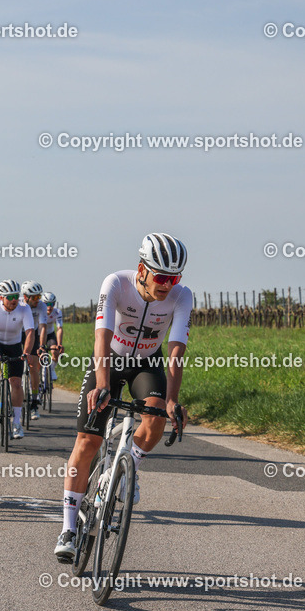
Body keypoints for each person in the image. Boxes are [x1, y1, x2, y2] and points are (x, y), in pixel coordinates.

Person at [54, 233, 192, 562]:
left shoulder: (181, 296)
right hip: (110, 361)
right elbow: (101, 335)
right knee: (87, 442)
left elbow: (176, 350)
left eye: (173, 278)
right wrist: (102, 383)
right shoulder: (116, 283)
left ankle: (127, 468)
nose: (167, 285)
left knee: (156, 416)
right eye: (161, 277)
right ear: (142, 269)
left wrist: (172, 399)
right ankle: (69, 527)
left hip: (147, 363)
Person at [0, 279, 36, 439]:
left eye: (16, 296)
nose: (14, 300)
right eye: (10, 297)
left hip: (15, 345)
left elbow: (30, 332)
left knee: (16, 383)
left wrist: (26, 352)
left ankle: (17, 423)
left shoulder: (24, 309)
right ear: (1, 297)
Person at [20, 281, 47, 420]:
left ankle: (34, 401)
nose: (38, 300)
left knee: (34, 367)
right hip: (19, 334)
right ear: (26, 297)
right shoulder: (19, 304)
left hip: (34, 334)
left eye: (39, 297)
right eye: (35, 297)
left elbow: (42, 327)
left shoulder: (41, 306)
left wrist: (41, 346)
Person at [41, 292, 64, 382]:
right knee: (40, 355)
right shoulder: (39, 311)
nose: (49, 307)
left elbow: (59, 329)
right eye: (46, 304)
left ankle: (51, 369)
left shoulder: (57, 312)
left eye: (52, 304)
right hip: (38, 335)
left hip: (50, 334)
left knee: (55, 352)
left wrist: (59, 344)